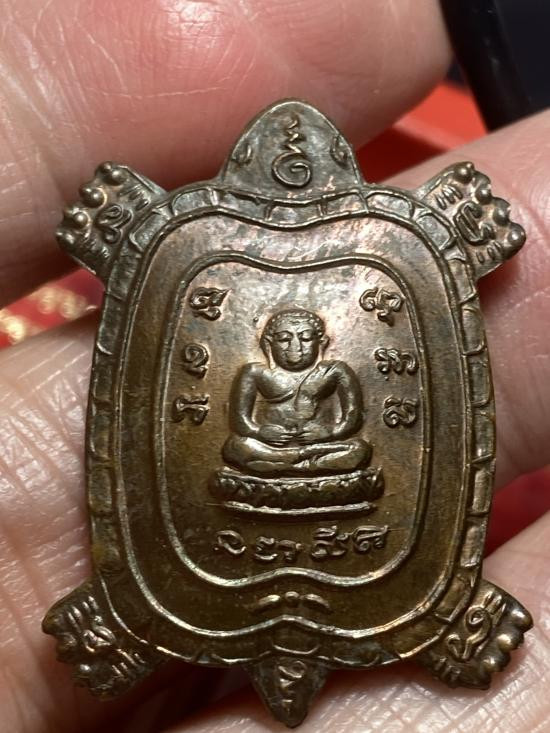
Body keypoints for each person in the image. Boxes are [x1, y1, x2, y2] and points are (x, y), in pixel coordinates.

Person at [0, 1, 548, 731]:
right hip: (262, 468)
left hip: (327, 467)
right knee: (241, 452)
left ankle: (448, 616)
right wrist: (275, 442)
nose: (293, 353)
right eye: (283, 342)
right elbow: (243, 425)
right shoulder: (255, 369)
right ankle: (129, 623)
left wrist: (312, 441)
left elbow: (348, 427)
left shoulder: (331, 373)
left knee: (352, 457)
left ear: (316, 342)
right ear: (272, 344)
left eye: (302, 342)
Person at [222, 308, 371, 475]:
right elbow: (239, 420)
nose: (295, 347)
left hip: (320, 445)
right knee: (236, 447)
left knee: (359, 449)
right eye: (284, 339)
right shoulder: (254, 372)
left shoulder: (336, 371)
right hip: (269, 446)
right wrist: (259, 431)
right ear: (268, 342)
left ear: (321, 342)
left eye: (306, 338)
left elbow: (353, 418)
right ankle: (304, 464)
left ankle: (282, 466)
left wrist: (330, 432)